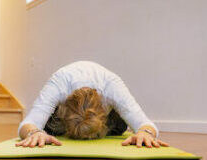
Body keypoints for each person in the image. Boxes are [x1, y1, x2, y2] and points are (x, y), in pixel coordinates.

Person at [16, 61, 169, 148]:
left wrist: (145, 133)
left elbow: (145, 123)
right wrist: (34, 133)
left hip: (108, 115)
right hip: (60, 118)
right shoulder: (58, 84)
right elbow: (29, 123)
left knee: (121, 125)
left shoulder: (112, 86)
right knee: (47, 129)